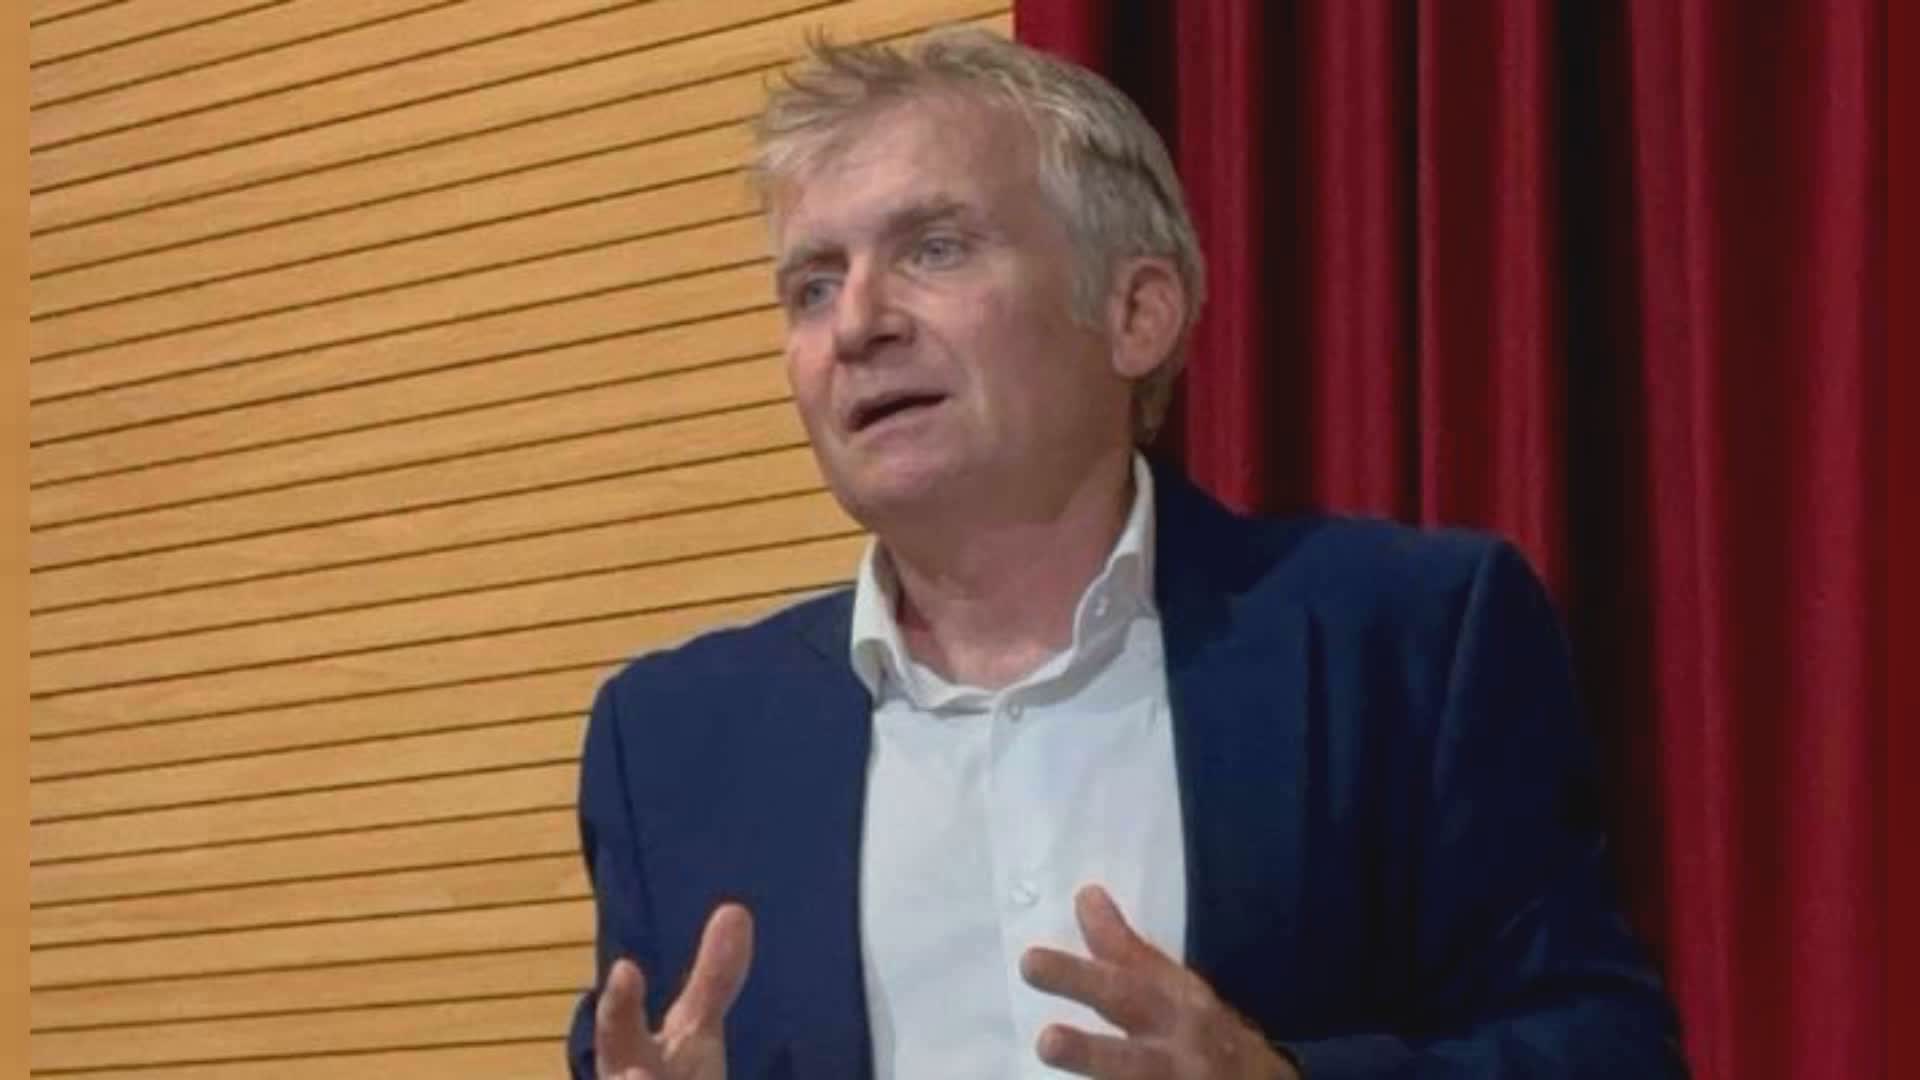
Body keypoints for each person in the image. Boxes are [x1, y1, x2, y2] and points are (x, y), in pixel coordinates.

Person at [568, 28, 1685, 1080]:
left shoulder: (1410, 641)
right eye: (813, 285)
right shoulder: (671, 742)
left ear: (1137, 312)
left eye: (935, 249)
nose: (857, 323)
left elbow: (1604, 1051)